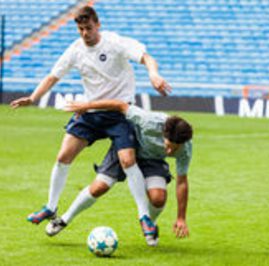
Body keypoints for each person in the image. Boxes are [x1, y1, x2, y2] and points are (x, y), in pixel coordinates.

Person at [10, 6, 171, 237]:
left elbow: (146, 57)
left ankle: (143, 216)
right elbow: (53, 76)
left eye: (88, 28)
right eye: (81, 29)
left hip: (119, 112)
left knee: (127, 160)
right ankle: (51, 207)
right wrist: (33, 97)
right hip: (90, 112)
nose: (85, 33)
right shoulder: (75, 50)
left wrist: (153, 74)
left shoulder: (114, 42)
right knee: (63, 156)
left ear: (98, 25)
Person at [46, 99, 193, 246]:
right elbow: (120, 105)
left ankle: (150, 224)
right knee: (99, 187)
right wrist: (86, 106)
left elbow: (182, 182)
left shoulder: (185, 148)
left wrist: (181, 217)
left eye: (174, 149)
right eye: (167, 146)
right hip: (127, 148)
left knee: (158, 198)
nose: (169, 152)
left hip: (153, 160)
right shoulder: (149, 121)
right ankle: (64, 219)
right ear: (163, 134)